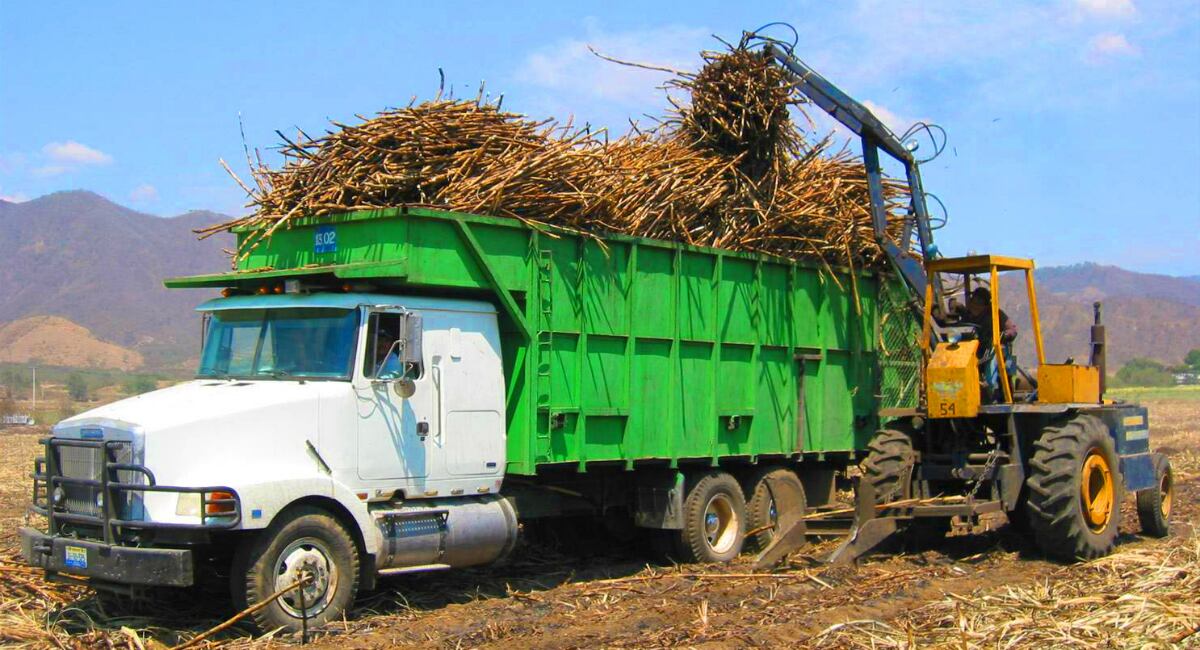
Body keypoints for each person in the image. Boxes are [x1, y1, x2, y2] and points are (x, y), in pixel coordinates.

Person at [955, 287, 1018, 400]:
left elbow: (1012, 330)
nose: (975, 305)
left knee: (995, 355)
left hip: (991, 349)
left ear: (985, 305)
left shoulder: (996, 314)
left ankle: (991, 388)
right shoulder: (967, 316)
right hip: (970, 350)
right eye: (973, 302)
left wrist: (1005, 335)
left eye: (978, 303)